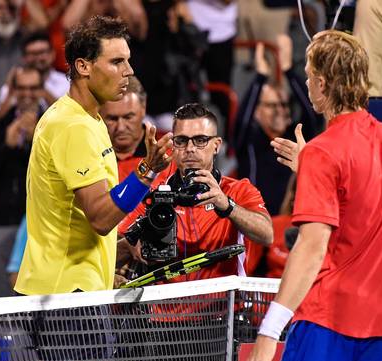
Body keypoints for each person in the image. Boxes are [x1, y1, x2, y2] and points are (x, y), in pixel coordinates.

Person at [246, 30, 382, 361]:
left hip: (331, 320)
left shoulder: (324, 154)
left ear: (322, 84)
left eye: (308, 75)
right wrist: (312, 166)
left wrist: (269, 330)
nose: (307, 82)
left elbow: (310, 247)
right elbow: (362, 196)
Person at [13, 15, 172, 361]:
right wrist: (146, 172)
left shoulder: (88, 119)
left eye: (128, 60)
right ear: (83, 66)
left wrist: (121, 248)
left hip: (83, 293)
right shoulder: (73, 127)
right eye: (117, 61)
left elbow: (85, 223)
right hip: (68, 297)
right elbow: (101, 216)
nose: (128, 71)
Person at [117, 102, 273, 285]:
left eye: (200, 140)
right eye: (181, 141)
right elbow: (114, 250)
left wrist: (227, 205)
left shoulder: (239, 190)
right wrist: (129, 246)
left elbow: (267, 235)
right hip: (164, 312)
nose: (190, 148)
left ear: (216, 145)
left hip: (222, 310)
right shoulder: (154, 196)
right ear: (173, 145)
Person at [0, 66, 44, 298]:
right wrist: (6, 147)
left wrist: (37, 144)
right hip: (0, 220)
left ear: (42, 89)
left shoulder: (54, 123)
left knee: (38, 299)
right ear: (13, 90)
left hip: (41, 224)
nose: (27, 94)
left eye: (33, 88)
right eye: (21, 88)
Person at [234, 34, 319, 215]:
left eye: (284, 104)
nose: (280, 110)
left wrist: (288, 69)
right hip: (257, 224)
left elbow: (312, 113)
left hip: (291, 223)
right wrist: (260, 77)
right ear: (257, 112)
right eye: (272, 105)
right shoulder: (250, 141)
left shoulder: (296, 137)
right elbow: (242, 120)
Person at [0, 31, 70, 119]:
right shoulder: (14, 85)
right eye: (33, 53)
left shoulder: (66, 83)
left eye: (42, 52)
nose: (38, 58)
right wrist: (11, 92)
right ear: (24, 58)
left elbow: (68, 117)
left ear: (52, 54)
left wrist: (42, 90)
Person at [100, 75, 148, 181]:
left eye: (128, 117)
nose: (121, 128)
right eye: (112, 119)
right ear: (98, 114)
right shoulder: (88, 156)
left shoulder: (168, 154)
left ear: (143, 109)